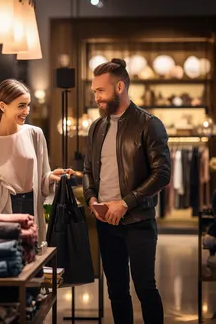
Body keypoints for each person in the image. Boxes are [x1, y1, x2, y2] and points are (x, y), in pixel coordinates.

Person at [83, 58, 171, 324]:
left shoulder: (148, 124)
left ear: (120, 86)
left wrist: (126, 202)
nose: (96, 96)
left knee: (145, 288)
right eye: (95, 91)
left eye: (101, 90)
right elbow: (87, 170)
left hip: (138, 221)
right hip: (105, 222)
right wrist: (92, 199)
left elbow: (162, 173)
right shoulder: (97, 127)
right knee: (117, 291)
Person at [0, 78, 74, 243]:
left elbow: (42, 176)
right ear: (2, 106)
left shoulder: (35, 134)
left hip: (32, 206)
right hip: (4, 211)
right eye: (21, 105)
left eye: (28, 105)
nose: (27, 111)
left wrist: (50, 176)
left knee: (34, 258)